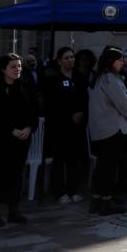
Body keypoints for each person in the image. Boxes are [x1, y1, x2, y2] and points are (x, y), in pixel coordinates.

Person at [0, 54, 37, 228]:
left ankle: (14, 210)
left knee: (16, 175)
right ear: (4, 69)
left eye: (19, 66)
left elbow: (34, 110)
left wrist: (29, 127)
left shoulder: (25, 86)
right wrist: (10, 130)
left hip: (21, 139)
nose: (17, 69)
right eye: (13, 66)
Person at [88, 47, 127, 215]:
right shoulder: (110, 79)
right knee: (108, 168)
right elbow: (123, 104)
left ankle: (97, 200)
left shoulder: (98, 78)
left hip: (101, 129)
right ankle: (105, 201)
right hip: (113, 129)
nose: (123, 62)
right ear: (110, 62)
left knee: (102, 167)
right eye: (119, 59)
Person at [43, 47, 89, 204]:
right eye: (67, 58)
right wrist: (69, 114)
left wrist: (81, 113)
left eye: (72, 57)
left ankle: (73, 189)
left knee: (74, 159)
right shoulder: (53, 78)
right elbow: (52, 102)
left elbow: (84, 98)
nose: (70, 60)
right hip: (59, 125)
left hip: (77, 125)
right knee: (59, 160)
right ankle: (59, 192)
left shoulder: (80, 77)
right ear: (59, 61)